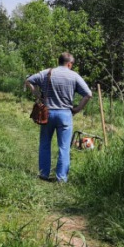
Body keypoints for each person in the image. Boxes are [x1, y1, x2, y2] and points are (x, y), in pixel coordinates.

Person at [25, 52, 92, 183]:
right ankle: (61, 178)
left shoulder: (47, 73)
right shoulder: (74, 76)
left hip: (47, 113)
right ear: (69, 64)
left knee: (45, 144)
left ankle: (43, 174)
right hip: (65, 115)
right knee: (64, 147)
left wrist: (37, 95)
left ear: (59, 61)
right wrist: (77, 109)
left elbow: (28, 81)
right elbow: (88, 94)